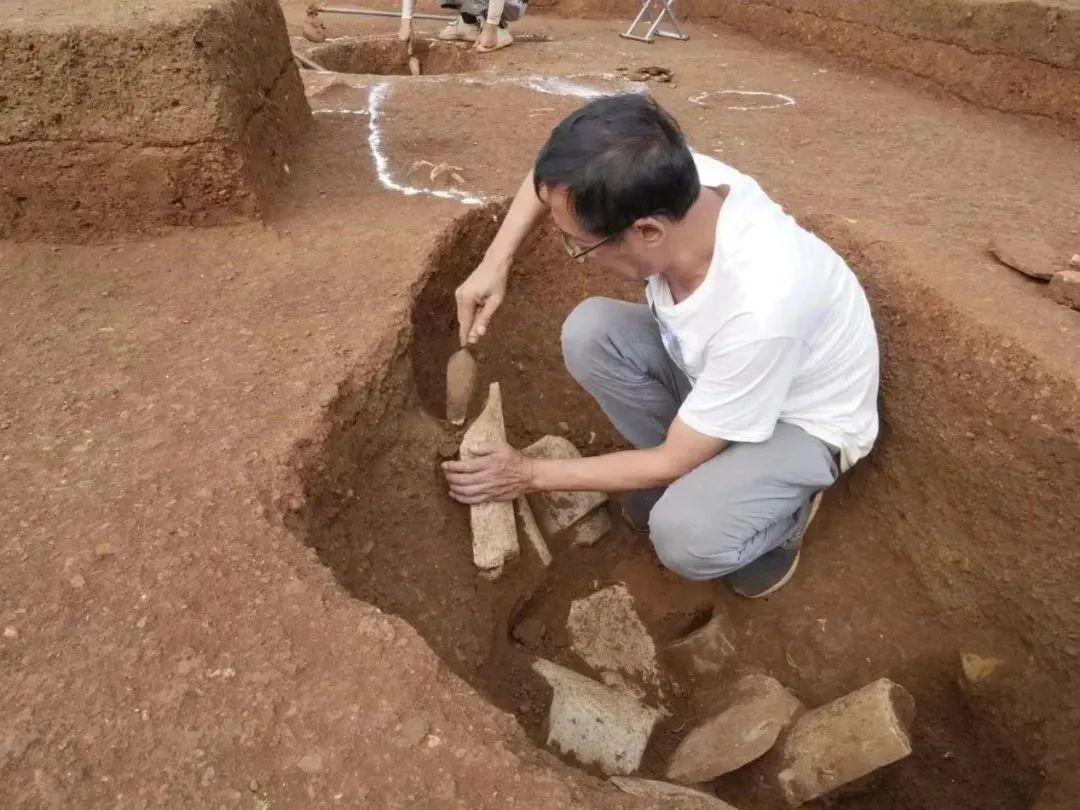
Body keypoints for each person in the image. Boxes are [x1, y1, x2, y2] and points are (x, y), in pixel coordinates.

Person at [442, 94, 880, 598]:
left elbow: (673, 458)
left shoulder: (761, 306)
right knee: (591, 332)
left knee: (684, 536)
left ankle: (783, 521)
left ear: (647, 230)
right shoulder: (664, 179)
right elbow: (551, 182)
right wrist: (495, 263)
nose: (574, 253)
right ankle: (711, 473)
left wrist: (527, 474)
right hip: (727, 376)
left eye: (578, 244)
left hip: (801, 421)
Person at [398, 0, 527, 52]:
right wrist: (406, 23)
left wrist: (491, 28)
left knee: (491, 29)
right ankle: (468, 23)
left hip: (513, 3)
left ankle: (499, 31)